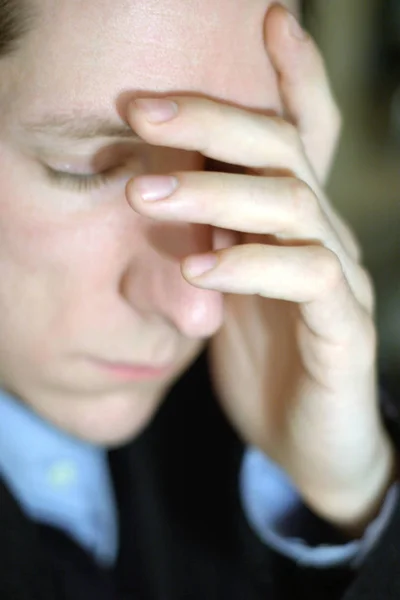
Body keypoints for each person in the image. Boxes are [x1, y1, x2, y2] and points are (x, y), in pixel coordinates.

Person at [0, 0, 399, 598]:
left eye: (227, 165)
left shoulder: (270, 412)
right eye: (87, 167)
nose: (197, 309)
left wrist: (352, 493)